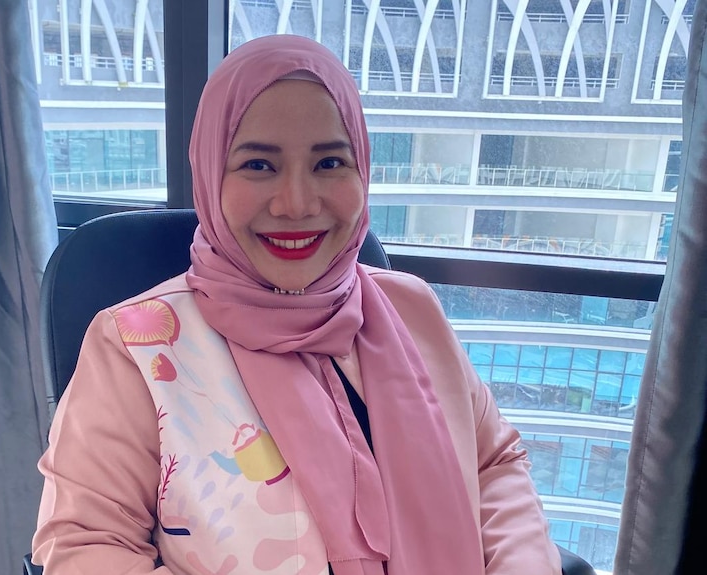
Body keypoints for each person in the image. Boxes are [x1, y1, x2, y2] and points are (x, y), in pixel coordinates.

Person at [32, 35, 561, 575]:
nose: (297, 203)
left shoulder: (411, 308)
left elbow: (493, 464)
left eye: (329, 162)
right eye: (258, 165)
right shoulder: (136, 345)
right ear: (211, 175)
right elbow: (86, 545)